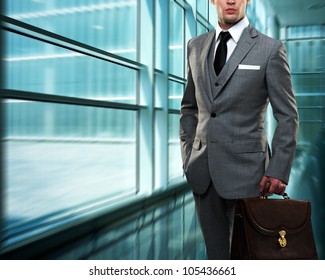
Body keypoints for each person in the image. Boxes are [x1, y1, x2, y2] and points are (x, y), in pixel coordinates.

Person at [179, 0, 299, 259]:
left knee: (248, 256)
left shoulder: (270, 49)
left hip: (250, 176)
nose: (231, 1)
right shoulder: (195, 46)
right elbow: (189, 107)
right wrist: (187, 156)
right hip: (202, 172)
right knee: (217, 256)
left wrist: (278, 169)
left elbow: (287, 116)